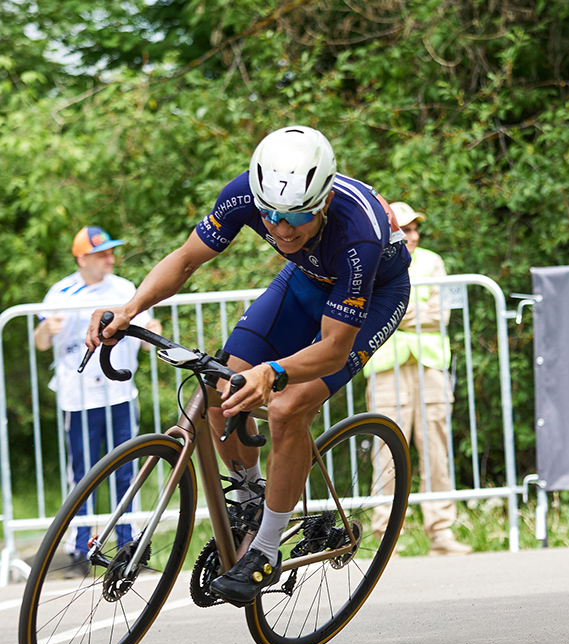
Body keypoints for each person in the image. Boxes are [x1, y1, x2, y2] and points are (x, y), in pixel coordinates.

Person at [86, 125, 411, 605]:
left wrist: (273, 372)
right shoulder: (244, 195)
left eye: (297, 217)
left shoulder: (357, 233)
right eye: (271, 216)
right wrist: (130, 308)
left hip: (374, 294)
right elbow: (186, 259)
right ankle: (252, 496)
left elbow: (335, 348)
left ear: (321, 203)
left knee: (288, 407)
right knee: (223, 388)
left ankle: (266, 546)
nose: (280, 228)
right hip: (305, 281)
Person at [35, 226, 162, 575]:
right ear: (82, 258)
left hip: (119, 394)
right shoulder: (59, 292)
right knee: (83, 475)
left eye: (110, 251)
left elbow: (147, 330)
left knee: (127, 469)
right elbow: (40, 342)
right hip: (77, 398)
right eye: (101, 253)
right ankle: (79, 551)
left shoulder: (123, 288)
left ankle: (128, 549)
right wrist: (46, 330)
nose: (110, 257)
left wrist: (155, 332)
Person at [364, 202, 472, 556]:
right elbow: (371, 314)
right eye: (405, 229)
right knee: (386, 454)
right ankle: (384, 537)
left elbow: (439, 314)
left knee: (436, 451)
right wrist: (408, 310)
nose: (412, 235)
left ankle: (440, 533)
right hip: (385, 369)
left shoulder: (432, 260)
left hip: (430, 368)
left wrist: (398, 310)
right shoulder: (370, 257)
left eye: (415, 229)